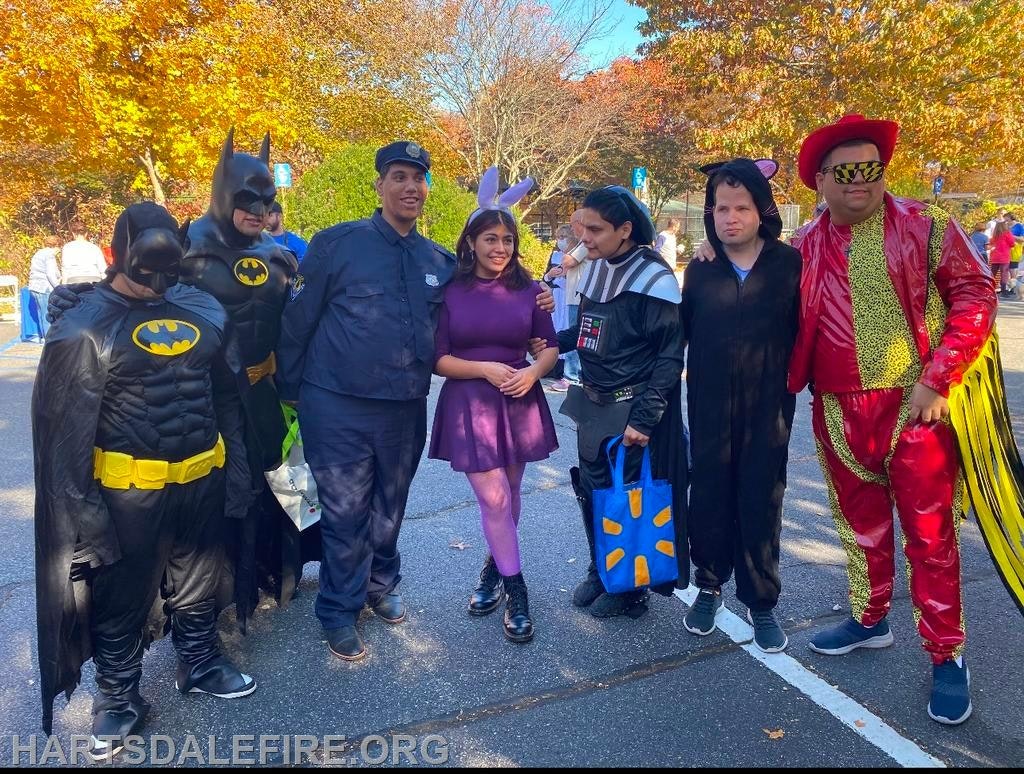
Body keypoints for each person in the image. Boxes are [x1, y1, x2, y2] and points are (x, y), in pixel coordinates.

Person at [275, 142, 553, 661]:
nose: (411, 187)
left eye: (419, 179)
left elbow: (483, 294)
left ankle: (379, 585)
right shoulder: (337, 244)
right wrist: (292, 395)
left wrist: (539, 299)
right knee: (344, 509)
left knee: (390, 505)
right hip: (335, 401)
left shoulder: (437, 261)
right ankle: (339, 609)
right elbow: (297, 320)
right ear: (379, 185)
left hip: (403, 403)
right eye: (399, 176)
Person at [48, 129, 316, 624]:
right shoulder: (185, 251)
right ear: (222, 193)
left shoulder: (279, 257)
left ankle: (262, 579)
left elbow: (305, 320)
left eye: (266, 199)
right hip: (205, 396)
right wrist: (78, 296)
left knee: (272, 486)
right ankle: (206, 605)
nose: (258, 208)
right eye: (246, 198)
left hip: (264, 393)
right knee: (218, 500)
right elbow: (132, 284)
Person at [789, 114, 996, 725]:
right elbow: (751, 281)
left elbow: (976, 294)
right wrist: (711, 251)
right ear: (820, 180)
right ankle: (870, 616)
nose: (861, 182)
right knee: (860, 525)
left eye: (871, 169)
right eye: (846, 172)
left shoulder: (928, 226)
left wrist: (939, 376)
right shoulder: (802, 245)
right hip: (836, 405)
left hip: (915, 405)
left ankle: (947, 653)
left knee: (930, 537)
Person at [32, 203, 257, 758]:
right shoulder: (84, 325)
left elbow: (228, 396)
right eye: (147, 261)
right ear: (121, 255)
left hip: (202, 473)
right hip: (128, 489)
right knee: (120, 597)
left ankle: (199, 662)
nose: (158, 278)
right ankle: (119, 699)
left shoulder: (202, 306)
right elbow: (63, 437)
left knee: (199, 579)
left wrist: (239, 474)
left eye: (168, 263)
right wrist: (85, 516)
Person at [429, 167, 560, 643]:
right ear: (471, 242)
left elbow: (547, 347)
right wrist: (484, 369)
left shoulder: (529, 290)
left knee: (511, 491)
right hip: (470, 403)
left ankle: (494, 566)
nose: (500, 248)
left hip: (520, 399)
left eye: (507, 239)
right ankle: (516, 587)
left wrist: (531, 372)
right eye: (490, 238)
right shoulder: (450, 292)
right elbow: (438, 359)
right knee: (494, 497)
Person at [546, 185, 688, 619]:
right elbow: (590, 332)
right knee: (594, 493)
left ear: (625, 229)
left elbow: (669, 357)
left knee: (630, 499)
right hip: (593, 405)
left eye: (595, 229)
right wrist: (544, 342)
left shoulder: (654, 277)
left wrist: (645, 419)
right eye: (580, 228)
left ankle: (631, 586)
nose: (583, 238)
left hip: (631, 411)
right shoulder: (597, 268)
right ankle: (602, 569)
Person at [680, 158, 802, 653]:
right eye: (721, 208)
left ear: (760, 210)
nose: (730, 217)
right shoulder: (702, 269)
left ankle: (762, 602)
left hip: (769, 408)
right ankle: (709, 586)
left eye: (741, 208)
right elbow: (678, 334)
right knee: (708, 496)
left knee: (761, 498)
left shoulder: (789, 264)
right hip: (709, 406)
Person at [26, 235, 61, 342]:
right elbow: (50, 274)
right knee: (47, 314)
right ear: (56, 246)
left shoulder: (38, 253)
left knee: (41, 313)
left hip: (34, 286)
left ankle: (44, 337)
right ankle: (49, 340)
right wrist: (58, 287)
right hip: (44, 286)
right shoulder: (49, 255)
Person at [989, 219, 1015, 296]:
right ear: (1004, 226)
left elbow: (991, 242)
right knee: (1004, 274)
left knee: (993, 273)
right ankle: (1004, 291)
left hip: (995, 257)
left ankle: (989, 289)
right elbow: (1012, 243)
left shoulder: (995, 234)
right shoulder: (1007, 233)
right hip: (1004, 257)